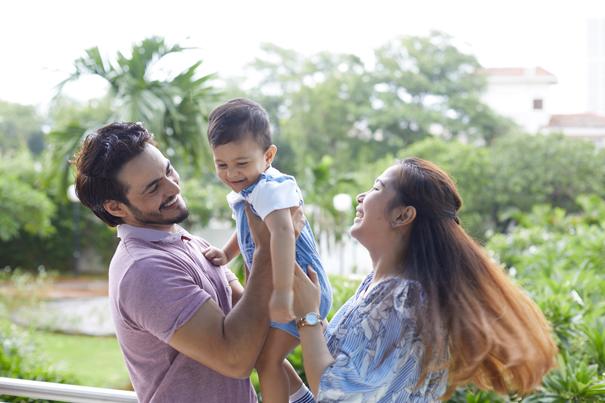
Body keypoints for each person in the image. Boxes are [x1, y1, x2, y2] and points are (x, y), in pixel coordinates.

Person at [290, 158, 558, 401]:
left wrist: (309, 318)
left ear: (403, 215)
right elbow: (341, 364)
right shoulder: (383, 286)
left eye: (376, 188)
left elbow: (337, 394)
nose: (361, 197)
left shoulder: (402, 297)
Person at [72, 122, 305, 403]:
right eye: (153, 187)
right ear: (116, 207)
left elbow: (256, 332)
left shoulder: (193, 244)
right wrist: (267, 249)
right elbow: (235, 358)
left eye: (168, 170)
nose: (173, 187)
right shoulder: (144, 270)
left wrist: (306, 397)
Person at [202, 98, 331, 403]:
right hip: (282, 289)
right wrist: (227, 253)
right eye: (222, 164)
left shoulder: (272, 187)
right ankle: (301, 399)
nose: (231, 173)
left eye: (241, 163)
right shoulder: (251, 190)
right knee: (263, 355)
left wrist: (283, 293)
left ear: (268, 155)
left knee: (267, 361)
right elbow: (247, 228)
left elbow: (285, 232)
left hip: (300, 291)